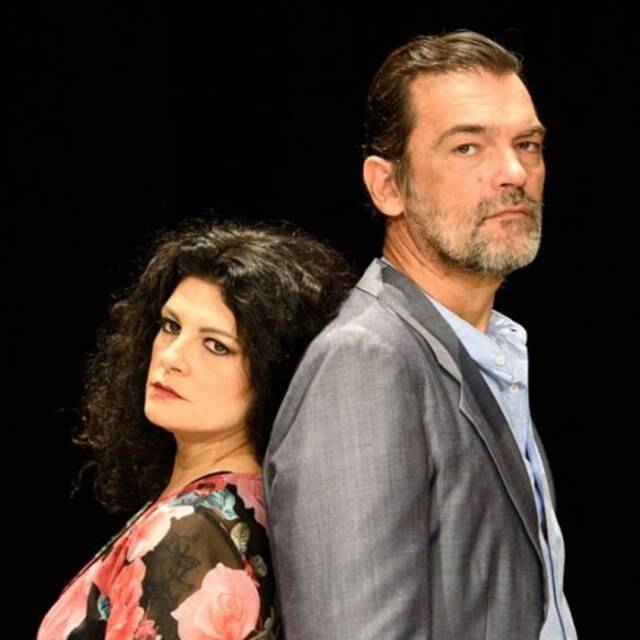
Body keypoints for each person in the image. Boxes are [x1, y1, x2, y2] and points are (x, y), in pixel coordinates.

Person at [264, 30, 577, 639]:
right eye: (467, 147)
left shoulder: (486, 349)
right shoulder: (367, 361)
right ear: (388, 186)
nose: (514, 172)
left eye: (527, 144)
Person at [38, 221, 353, 640]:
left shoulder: (191, 531)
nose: (172, 356)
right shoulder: (248, 507)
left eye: (217, 345)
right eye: (171, 325)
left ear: (274, 377)